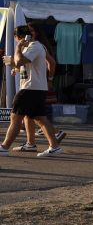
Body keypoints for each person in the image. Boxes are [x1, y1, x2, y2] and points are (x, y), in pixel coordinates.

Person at [0, 25, 67, 157]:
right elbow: (25, 64)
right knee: (40, 119)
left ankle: (4, 147)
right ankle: (54, 146)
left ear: (18, 37)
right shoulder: (35, 47)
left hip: (30, 88)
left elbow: (19, 61)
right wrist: (16, 67)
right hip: (36, 88)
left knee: (15, 116)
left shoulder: (34, 46)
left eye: (16, 38)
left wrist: (18, 48)